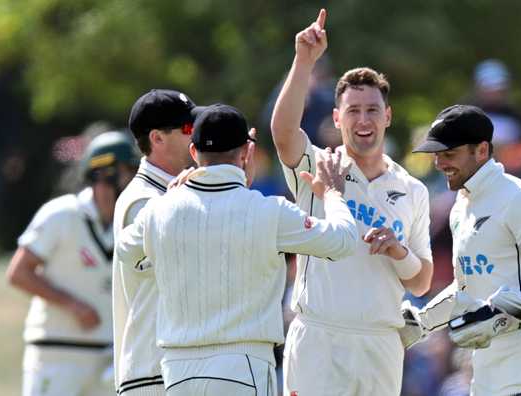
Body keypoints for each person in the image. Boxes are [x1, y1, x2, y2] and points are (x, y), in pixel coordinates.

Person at [116, 103, 359, 395]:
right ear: (246, 152)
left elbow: (125, 251)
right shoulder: (269, 211)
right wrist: (332, 194)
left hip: (177, 373)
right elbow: (343, 240)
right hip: (243, 367)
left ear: (194, 154)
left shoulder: (159, 210)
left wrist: (171, 201)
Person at [270, 9, 433, 395]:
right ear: (337, 117)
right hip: (319, 338)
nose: (364, 120)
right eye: (354, 110)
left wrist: (398, 251)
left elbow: (422, 280)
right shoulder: (320, 166)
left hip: (380, 341)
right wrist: (304, 60)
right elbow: (282, 132)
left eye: (373, 110)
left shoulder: (412, 189)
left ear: (388, 116)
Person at [408, 104, 521, 395]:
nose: (439, 164)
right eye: (437, 155)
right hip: (484, 359)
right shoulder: (460, 207)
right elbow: (465, 290)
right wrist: (420, 324)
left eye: (449, 154)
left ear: (482, 150)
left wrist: (498, 312)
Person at [6, 131, 139, 396]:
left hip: (110, 358)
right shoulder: (62, 214)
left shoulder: (133, 222)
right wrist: (73, 305)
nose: (132, 183)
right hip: (57, 354)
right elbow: (18, 273)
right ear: (104, 175)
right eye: (127, 173)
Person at [112, 88, 200, 395]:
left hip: (170, 368)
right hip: (153, 372)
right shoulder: (142, 200)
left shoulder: (167, 193)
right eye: (188, 129)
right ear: (157, 138)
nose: (197, 135)